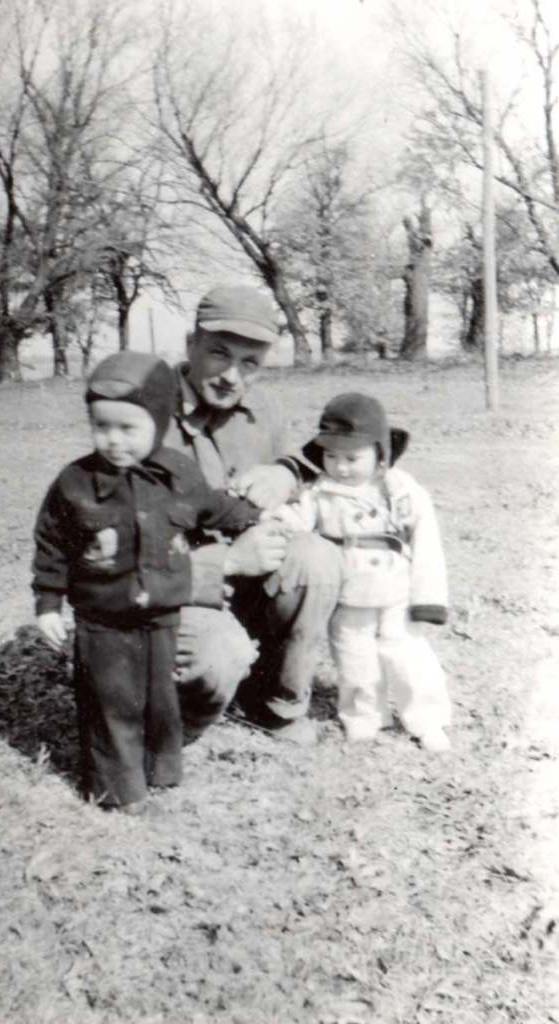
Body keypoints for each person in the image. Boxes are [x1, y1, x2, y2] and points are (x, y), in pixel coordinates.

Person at [32, 352, 261, 813]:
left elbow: (212, 507)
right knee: (111, 701)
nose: (113, 440)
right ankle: (116, 790)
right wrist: (48, 604)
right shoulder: (74, 484)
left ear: (157, 423)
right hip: (102, 618)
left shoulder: (178, 473)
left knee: (159, 700)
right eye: (102, 426)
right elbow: (51, 545)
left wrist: (253, 515)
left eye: (128, 428)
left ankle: (159, 768)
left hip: (161, 614)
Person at [161, 284, 343, 744]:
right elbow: (124, 558)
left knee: (317, 559)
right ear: (190, 345)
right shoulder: (144, 416)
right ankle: (167, 721)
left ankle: (273, 703)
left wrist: (285, 473)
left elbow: (299, 463)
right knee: (218, 652)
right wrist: (227, 562)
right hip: (175, 594)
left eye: (250, 363)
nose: (232, 376)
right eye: (219, 354)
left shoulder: (263, 408)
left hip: (245, 585)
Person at [264, 392, 452, 752]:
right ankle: (364, 717)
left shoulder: (400, 490)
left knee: (408, 654)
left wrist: (428, 599)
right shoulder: (319, 492)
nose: (341, 467)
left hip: (395, 588)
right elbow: (296, 521)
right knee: (354, 658)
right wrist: (277, 518)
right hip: (348, 592)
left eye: (353, 458)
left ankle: (426, 719)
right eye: (331, 456)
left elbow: (427, 542)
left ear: (381, 454)